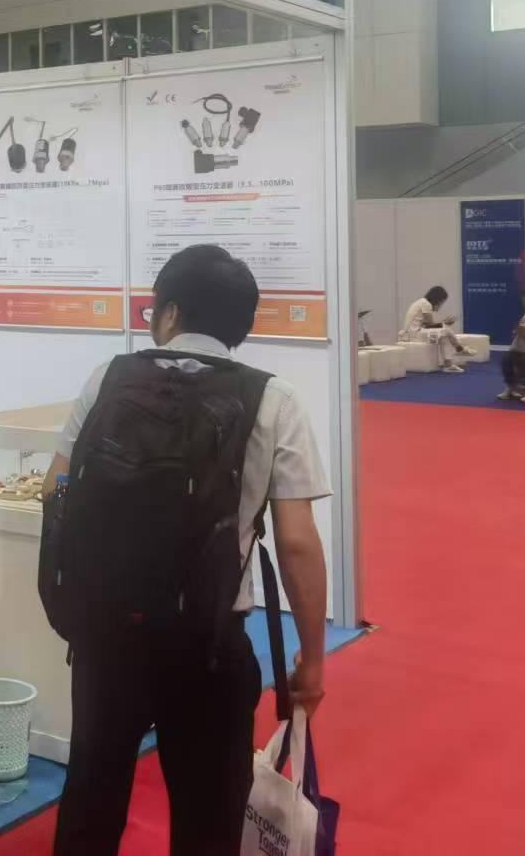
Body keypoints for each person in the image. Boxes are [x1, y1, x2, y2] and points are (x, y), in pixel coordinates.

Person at [46, 245, 329, 856]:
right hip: (209, 643)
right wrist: (312, 658)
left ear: (170, 312)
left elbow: (55, 487)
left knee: (91, 801)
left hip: (109, 636)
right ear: (241, 325)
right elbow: (297, 542)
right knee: (208, 819)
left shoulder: (108, 377)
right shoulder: (273, 398)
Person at [399, 285, 466, 373]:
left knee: (444, 336)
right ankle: (459, 348)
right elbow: (430, 324)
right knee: (446, 330)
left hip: (414, 332)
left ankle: (448, 364)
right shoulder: (426, 304)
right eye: (442, 301)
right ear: (438, 299)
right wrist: (445, 323)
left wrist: (443, 323)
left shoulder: (422, 302)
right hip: (415, 334)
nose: (441, 304)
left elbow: (427, 324)